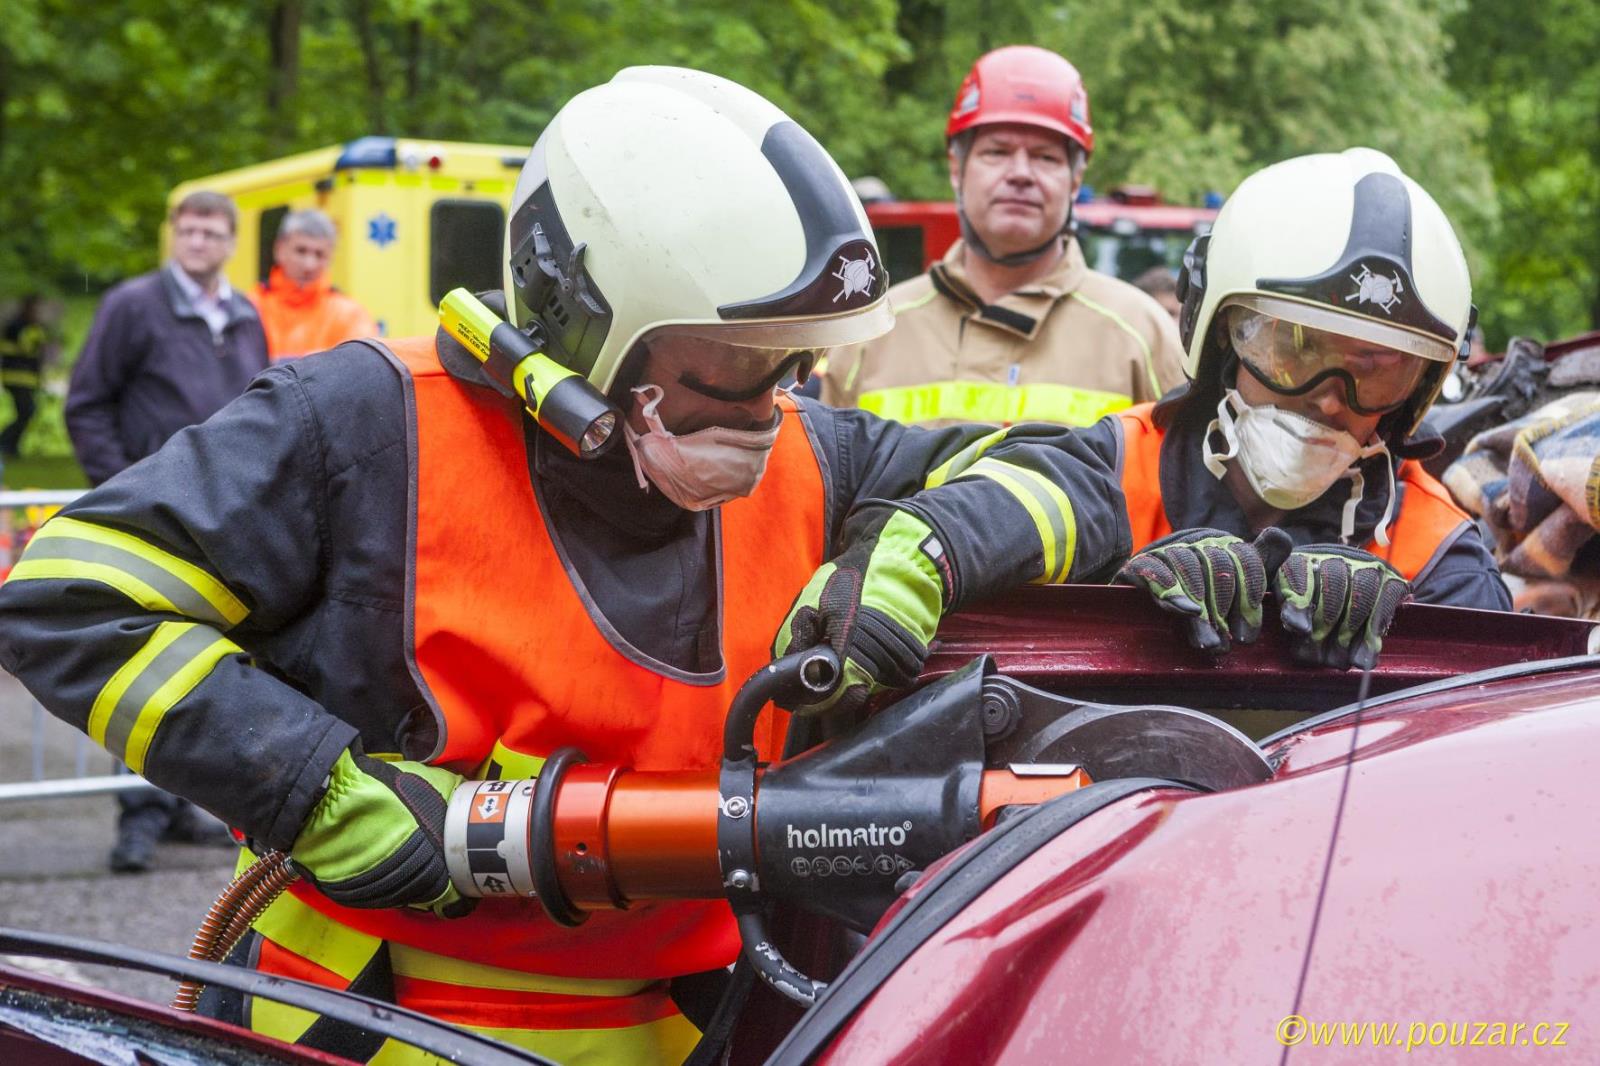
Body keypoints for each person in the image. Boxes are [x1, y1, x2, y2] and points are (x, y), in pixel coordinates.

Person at [0, 68, 1127, 1063]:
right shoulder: (360, 428)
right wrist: (324, 791)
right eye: (734, 362)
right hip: (365, 1026)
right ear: (594, 327)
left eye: (792, 361)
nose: (771, 402)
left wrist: (927, 544)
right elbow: (69, 595)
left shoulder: (807, 456)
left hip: (685, 1024)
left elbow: (1078, 473)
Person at [1093, 148, 1510, 669]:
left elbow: (1483, 729)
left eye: (1375, 369)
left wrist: (1409, 632)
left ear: (1419, 386)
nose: (1330, 396)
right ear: (1225, 334)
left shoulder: (1436, 553)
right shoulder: (1109, 470)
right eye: (1297, 348)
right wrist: (1112, 606)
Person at [63, 189, 268, 872]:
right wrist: (124, 488)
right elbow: (87, 403)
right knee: (140, 666)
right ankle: (138, 818)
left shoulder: (242, 316)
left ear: (232, 242)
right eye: (189, 230)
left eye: (212, 232)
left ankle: (183, 804)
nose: (200, 242)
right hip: (151, 517)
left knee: (204, 664)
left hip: (222, 517)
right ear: (173, 235)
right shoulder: (133, 306)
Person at [821, 45, 1186, 427]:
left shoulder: (1142, 334)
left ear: (1075, 180)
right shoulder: (872, 333)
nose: (1021, 174)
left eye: (1046, 157)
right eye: (997, 152)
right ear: (956, 170)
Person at [252, 209, 378, 359]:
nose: (309, 265)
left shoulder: (350, 315)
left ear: (330, 258)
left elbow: (363, 365)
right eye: (301, 251)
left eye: (319, 254)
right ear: (279, 249)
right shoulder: (252, 307)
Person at [0, 295, 57, 458]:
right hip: (18, 378)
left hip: (26, 378)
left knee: (26, 412)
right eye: (36, 309)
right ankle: (5, 444)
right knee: (27, 411)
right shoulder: (19, 327)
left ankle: (10, 446)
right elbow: (29, 346)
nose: (38, 313)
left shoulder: (27, 327)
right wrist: (41, 330)